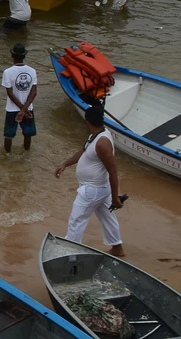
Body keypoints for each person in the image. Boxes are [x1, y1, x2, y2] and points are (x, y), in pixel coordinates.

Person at [55, 105, 125, 257]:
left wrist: (115, 197)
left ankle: (70, 253)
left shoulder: (102, 143)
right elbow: (84, 150)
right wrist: (65, 164)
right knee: (107, 218)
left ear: (87, 121)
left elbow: (113, 172)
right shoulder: (97, 135)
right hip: (100, 189)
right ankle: (117, 248)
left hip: (92, 191)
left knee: (76, 220)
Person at [1, 43, 37, 153]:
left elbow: (10, 93)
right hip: (28, 109)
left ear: (12, 56)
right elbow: (34, 92)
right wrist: (24, 109)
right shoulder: (32, 71)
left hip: (12, 109)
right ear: (24, 56)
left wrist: (21, 109)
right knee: (27, 134)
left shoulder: (7, 72)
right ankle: (26, 154)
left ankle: (7, 156)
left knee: (9, 135)